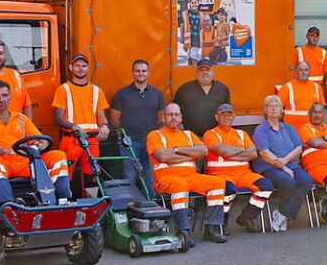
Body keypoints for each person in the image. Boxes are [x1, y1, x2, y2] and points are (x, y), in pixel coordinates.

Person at [0, 81, 71, 206]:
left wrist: (41, 145)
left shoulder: (21, 119)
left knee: (58, 155)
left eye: (5, 95)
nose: (1, 99)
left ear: (10, 97)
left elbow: (42, 139)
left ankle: (62, 201)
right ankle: (7, 206)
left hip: (26, 164)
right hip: (1, 164)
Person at [147, 103, 227, 245]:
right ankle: (183, 231)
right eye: (169, 114)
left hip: (191, 177)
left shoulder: (189, 135)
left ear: (181, 118)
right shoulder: (155, 135)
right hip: (165, 179)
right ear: (163, 117)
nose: (173, 117)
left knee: (218, 183)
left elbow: (203, 152)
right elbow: (163, 157)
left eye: (176, 114)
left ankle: (212, 229)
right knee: (180, 185)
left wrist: (176, 150)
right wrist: (190, 154)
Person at [203, 104, 272, 234]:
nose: (226, 117)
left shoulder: (242, 134)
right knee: (228, 190)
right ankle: (222, 220)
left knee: (266, 185)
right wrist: (242, 151)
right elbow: (222, 150)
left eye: (229, 114)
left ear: (234, 117)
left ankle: (247, 217)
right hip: (220, 174)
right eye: (223, 114)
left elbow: (253, 154)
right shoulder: (210, 134)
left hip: (244, 173)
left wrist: (230, 153)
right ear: (216, 117)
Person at [251, 95, 314, 231]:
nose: (274, 109)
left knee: (306, 181)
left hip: (290, 165)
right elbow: (263, 153)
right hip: (269, 167)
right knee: (288, 181)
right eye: (270, 106)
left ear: (281, 110)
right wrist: (284, 168)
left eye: (277, 106)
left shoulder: (288, 128)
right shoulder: (261, 129)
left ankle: (282, 214)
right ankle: (284, 216)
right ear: (265, 110)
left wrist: (285, 161)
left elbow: (299, 147)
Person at [53, 54, 110, 185]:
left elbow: (101, 117)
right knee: (64, 176)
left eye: (84, 66)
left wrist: (105, 126)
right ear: (71, 67)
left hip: (92, 141)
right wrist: (74, 126)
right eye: (77, 66)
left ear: (88, 68)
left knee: (92, 177)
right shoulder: (63, 89)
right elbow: (58, 117)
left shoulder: (97, 90)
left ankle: (91, 205)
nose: (81, 69)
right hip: (71, 139)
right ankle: (65, 204)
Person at [108, 59, 165, 183]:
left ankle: (151, 201)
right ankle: (130, 202)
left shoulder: (157, 94)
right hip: (129, 143)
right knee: (130, 176)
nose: (141, 73)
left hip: (150, 142)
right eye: (137, 71)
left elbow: (161, 119)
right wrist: (126, 134)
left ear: (148, 72)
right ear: (132, 73)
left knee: (150, 177)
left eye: (144, 71)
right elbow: (113, 120)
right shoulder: (122, 94)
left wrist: (152, 134)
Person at [173, 59, 231, 135]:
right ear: (196, 72)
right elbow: (174, 112)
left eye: (207, 70)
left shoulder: (223, 89)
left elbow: (228, 113)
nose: (205, 73)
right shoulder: (184, 90)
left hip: (216, 136)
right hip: (190, 137)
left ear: (213, 72)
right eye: (201, 70)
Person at [279, 60, 323, 130]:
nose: (304, 72)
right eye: (301, 70)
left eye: (306, 70)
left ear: (309, 72)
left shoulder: (317, 87)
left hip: (312, 129)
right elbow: (278, 110)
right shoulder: (286, 87)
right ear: (296, 72)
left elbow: (321, 110)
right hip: (293, 129)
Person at [180, 0, 203, 65]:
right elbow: (182, 25)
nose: (194, 4)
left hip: (196, 38)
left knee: (193, 56)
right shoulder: (185, 13)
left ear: (198, 3)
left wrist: (202, 40)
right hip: (188, 39)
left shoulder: (201, 14)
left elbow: (202, 28)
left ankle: (194, 72)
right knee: (189, 56)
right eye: (192, 3)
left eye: (195, 2)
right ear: (190, 4)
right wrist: (182, 37)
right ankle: (190, 71)